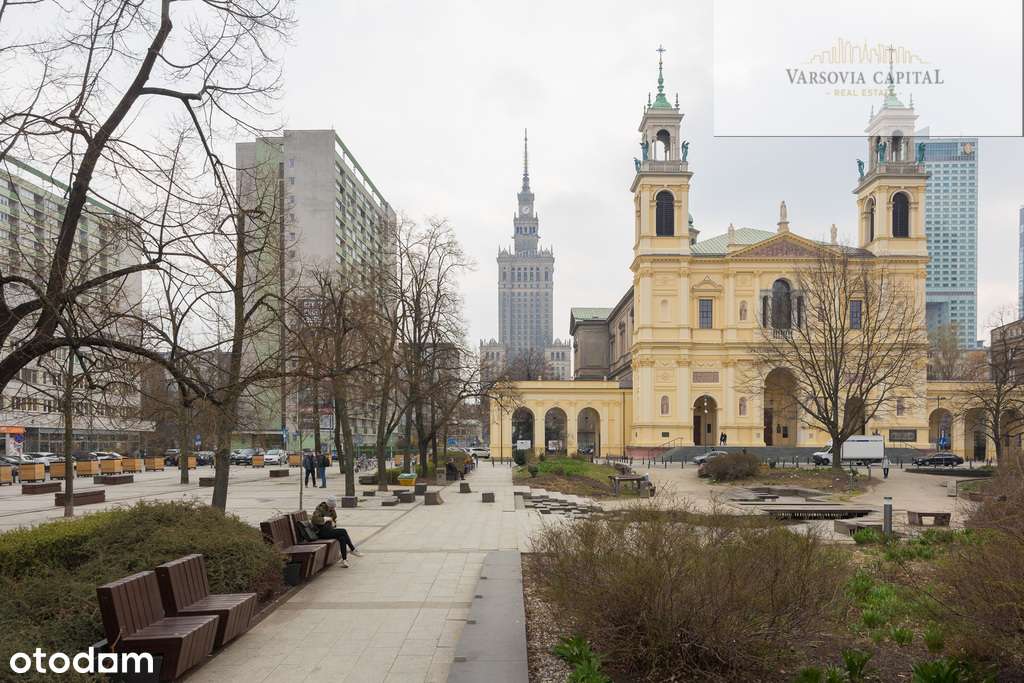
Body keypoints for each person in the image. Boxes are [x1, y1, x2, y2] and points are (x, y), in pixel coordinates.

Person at [311, 495, 360, 567]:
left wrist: (333, 523)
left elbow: (334, 519)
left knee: (342, 538)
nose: (333, 508)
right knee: (343, 531)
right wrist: (326, 519)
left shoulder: (332, 510)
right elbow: (314, 519)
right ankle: (352, 549)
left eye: (333, 507)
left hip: (329, 531)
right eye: (331, 507)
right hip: (320, 532)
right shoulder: (320, 509)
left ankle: (344, 560)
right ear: (328, 505)